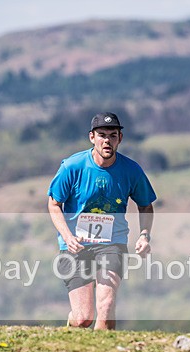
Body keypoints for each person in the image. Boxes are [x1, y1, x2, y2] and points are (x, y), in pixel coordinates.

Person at [47, 112, 157, 330]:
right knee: (83, 319)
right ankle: (72, 326)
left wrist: (144, 235)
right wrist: (67, 237)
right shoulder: (72, 166)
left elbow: (145, 205)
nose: (107, 140)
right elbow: (53, 204)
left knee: (105, 308)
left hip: (111, 244)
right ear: (92, 137)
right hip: (75, 247)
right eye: (102, 135)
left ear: (120, 139)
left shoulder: (131, 170)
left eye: (113, 135)